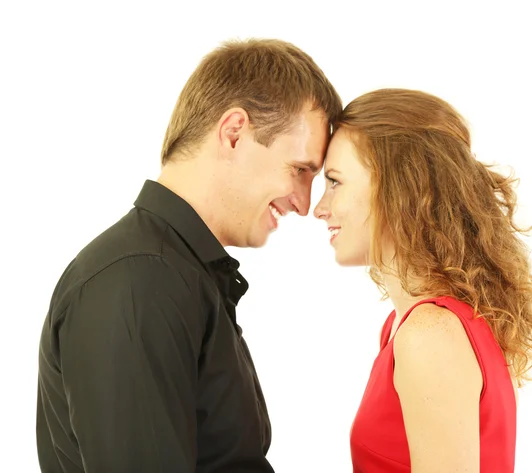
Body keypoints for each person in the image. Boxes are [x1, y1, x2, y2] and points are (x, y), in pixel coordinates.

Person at [36, 38, 342, 473]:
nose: (304, 203)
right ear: (234, 133)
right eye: (300, 170)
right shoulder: (140, 282)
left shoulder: (175, 274)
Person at [314, 88, 532, 473]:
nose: (319, 208)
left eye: (335, 181)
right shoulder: (406, 326)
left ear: (400, 190)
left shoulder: (429, 334)